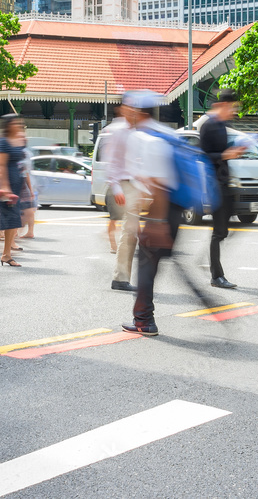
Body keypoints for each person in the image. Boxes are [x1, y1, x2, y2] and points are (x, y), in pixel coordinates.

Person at [121, 91, 180, 336]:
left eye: (133, 110)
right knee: (152, 265)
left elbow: (158, 183)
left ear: (139, 113)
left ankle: (144, 321)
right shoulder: (167, 133)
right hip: (174, 209)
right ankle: (144, 317)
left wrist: (157, 224)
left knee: (146, 266)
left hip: (161, 211)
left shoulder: (144, 139)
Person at [198, 89, 245, 290]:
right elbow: (203, 155)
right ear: (221, 105)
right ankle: (216, 276)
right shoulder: (208, 126)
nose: (234, 111)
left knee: (225, 228)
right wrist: (225, 156)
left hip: (225, 182)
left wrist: (236, 152)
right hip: (213, 183)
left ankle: (208, 260)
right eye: (232, 107)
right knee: (219, 232)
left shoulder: (223, 125)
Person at [104, 101, 138, 290]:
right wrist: (117, 188)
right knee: (129, 232)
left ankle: (122, 277)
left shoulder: (133, 132)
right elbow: (111, 162)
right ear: (122, 109)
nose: (134, 111)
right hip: (123, 186)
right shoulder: (116, 130)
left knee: (132, 234)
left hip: (133, 185)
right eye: (130, 107)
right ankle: (120, 278)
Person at [0, 115, 27, 267]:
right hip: (8, 186)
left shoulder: (18, 139)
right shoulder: (3, 142)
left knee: (15, 220)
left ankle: (6, 254)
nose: (18, 125)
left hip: (17, 184)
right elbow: (1, 166)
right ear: (8, 125)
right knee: (11, 219)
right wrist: (5, 187)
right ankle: (6, 254)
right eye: (15, 123)